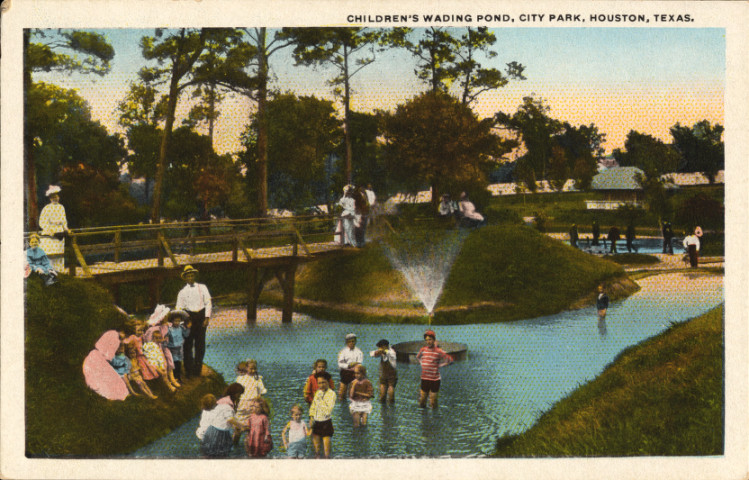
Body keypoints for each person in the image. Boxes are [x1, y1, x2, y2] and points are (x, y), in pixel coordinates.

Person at [176, 265, 212, 378]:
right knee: (188, 345)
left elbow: (208, 302)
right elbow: (179, 309)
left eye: (192, 275)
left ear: (194, 276)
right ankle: (189, 371)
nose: (190, 277)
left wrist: (207, 318)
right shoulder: (182, 292)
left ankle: (198, 369)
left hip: (201, 316)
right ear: (185, 278)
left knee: (200, 344)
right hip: (189, 318)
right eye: (188, 276)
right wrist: (183, 323)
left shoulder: (202, 287)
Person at [196, 383, 245, 458]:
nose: (240, 396)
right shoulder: (226, 404)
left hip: (205, 432)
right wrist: (241, 426)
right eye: (239, 394)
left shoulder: (222, 403)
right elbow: (229, 419)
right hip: (215, 432)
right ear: (235, 393)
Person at [82, 330, 129, 401]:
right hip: (98, 358)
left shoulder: (116, 339)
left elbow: (109, 355)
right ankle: (114, 395)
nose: (123, 336)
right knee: (106, 378)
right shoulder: (113, 335)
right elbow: (108, 355)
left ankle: (117, 394)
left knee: (111, 377)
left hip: (99, 357)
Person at [416, 329, 453, 409]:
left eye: (430, 339)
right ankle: (423, 419)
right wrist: (422, 363)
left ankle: (435, 419)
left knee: (433, 403)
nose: (428, 342)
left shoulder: (439, 351)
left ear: (434, 340)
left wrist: (441, 365)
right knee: (422, 402)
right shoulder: (423, 349)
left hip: (434, 379)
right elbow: (418, 357)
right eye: (426, 340)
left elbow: (450, 360)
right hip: (424, 378)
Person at [145, 305, 178, 387]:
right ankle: (166, 381)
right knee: (162, 363)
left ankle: (172, 377)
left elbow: (169, 336)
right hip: (157, 348)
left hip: (165, 346)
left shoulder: (166, 326)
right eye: (165, 316)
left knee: (170, 359)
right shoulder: (154, 329)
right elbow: (149, 341)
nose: (167, 317)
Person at [38, 185, 69, 272]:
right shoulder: (47, 208)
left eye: (56, 197)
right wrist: (50, 231)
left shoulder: (61, 207)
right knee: (51, 252)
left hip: (60, 231)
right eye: (53, 197)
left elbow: (64, 220)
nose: (55, 199)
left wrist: (66, 229)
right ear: (50, 198)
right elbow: (42, 222)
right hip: (51, 232)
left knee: (59, 252)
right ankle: (50, 271)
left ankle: (60, 271)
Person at [309, 371, 336, 459]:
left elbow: (328, 410)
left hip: (326, 422)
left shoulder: (331, 394)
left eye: (323, 382)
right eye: (319, 383)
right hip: (316, 421)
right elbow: (313, 406)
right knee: (316, 450)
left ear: (328, 382)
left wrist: (321, 401)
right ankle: (317, 457)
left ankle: (327, 458)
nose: (321, 385)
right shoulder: (318, 392)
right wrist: (311, 417)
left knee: (326, 450)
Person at [234, 359, 268, 427]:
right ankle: (235, 436)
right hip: (243, 403)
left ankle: (249, 437)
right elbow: (237, 391)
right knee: (238, 426)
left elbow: (262, 391)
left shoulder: (257, 378)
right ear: (246, 368)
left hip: (254, 404)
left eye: (255, 369)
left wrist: (258, 398)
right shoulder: (241, 378)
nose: (253, 371)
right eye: (251, 369)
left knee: (252, 425)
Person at [166, 310, 191, 383]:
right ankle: (175, 378)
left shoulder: (181, 328)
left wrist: (188, 328)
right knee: (174, 363)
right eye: (175, 321)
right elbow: (167, 338)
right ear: (172, 321)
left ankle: (179, 377)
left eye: (178, 321)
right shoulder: (169, 329)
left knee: (179, 362)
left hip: (180, 348)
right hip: (172, 348)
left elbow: (186, 335)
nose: (177, 323)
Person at [337, 333, 363, 400]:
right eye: (349, 342)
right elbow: (340, 364)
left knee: (352, 394)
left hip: (354, 373)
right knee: (342, 394)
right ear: (346, 342)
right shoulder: (343, 352)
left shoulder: (359, 352)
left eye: (353, 341)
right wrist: (348, 365)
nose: (351, 343)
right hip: (345, 372)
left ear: (355, 341)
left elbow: (359, 363)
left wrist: (355, 366)